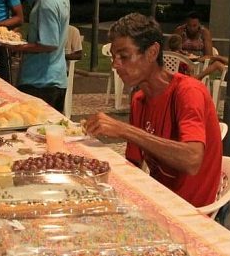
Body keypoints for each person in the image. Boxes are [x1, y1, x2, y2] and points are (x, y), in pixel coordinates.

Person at [84, 13, 222, 208]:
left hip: (188, 212)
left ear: (152, 52)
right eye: (114, 57)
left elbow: (192, 159)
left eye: (124, 56)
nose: (115, 65)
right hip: (157, 201)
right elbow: (133, 163)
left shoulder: (188, 92)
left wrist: (124, 130)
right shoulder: (139, 100)